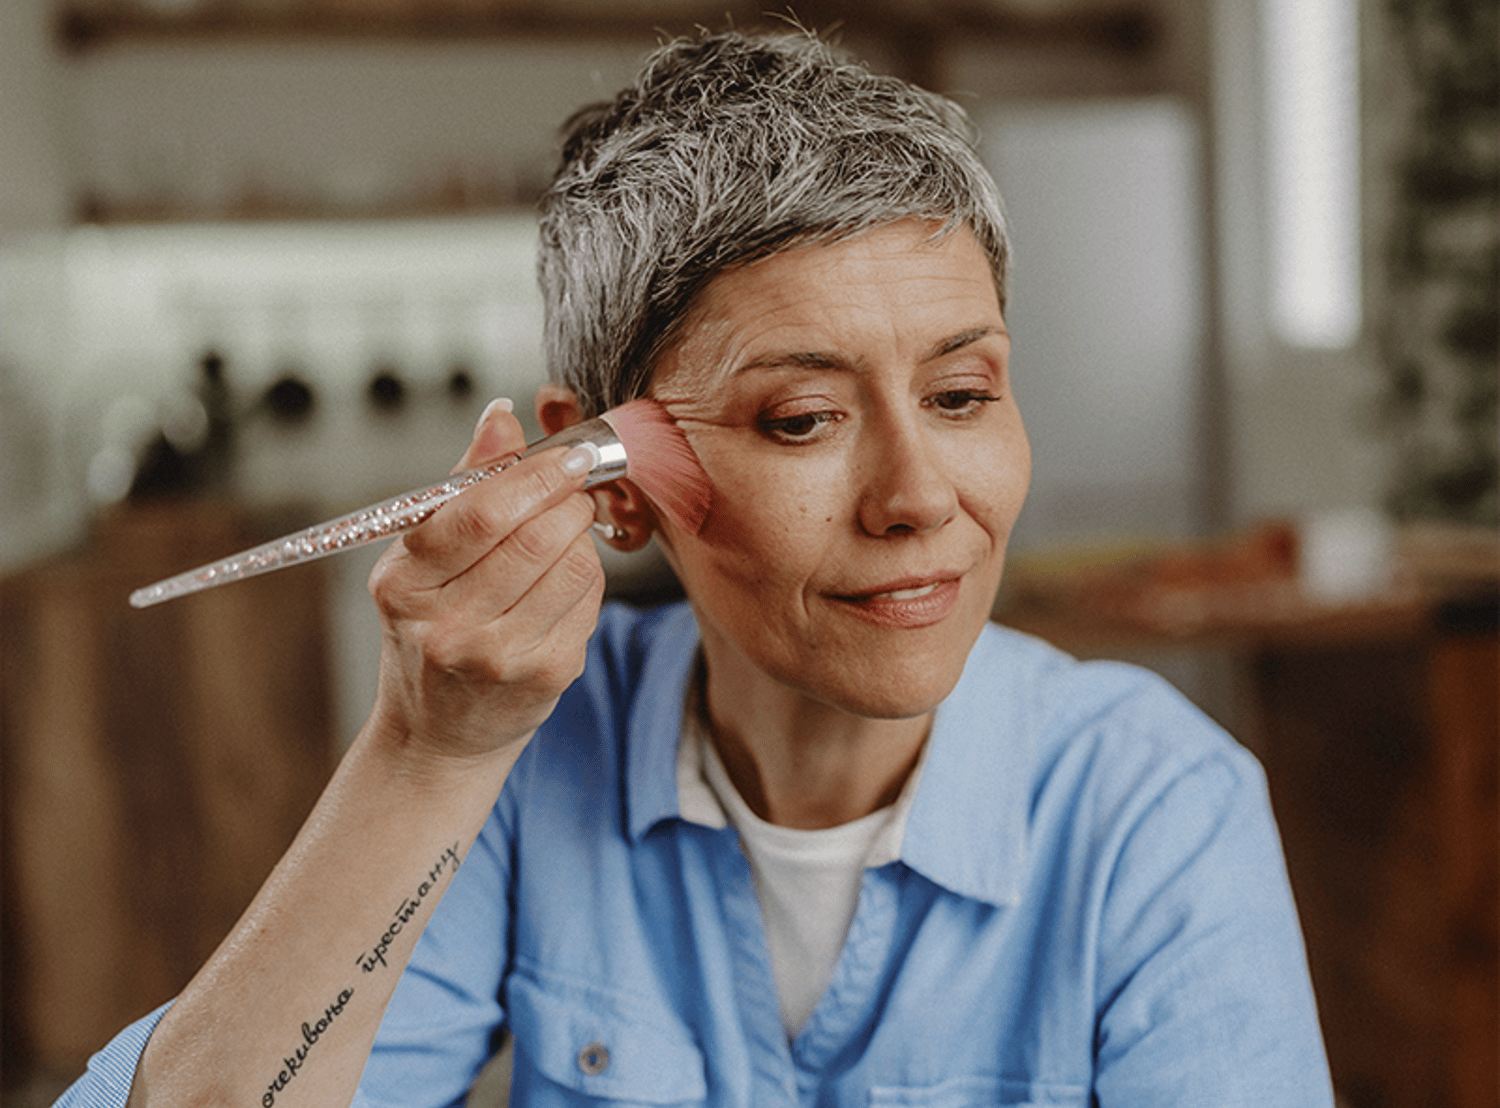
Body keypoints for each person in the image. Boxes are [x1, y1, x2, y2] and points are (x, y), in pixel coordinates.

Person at [57, 28, 1334, 1108]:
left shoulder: (1159, 813)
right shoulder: (527, 756)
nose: (919, 498)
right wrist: (424, 753)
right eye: (802, 419)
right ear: (606, 479)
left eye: (960, 393)